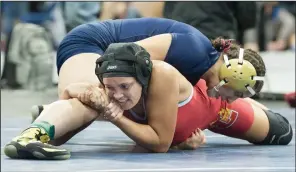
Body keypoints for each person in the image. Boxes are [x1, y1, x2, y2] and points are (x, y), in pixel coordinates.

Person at [4, 43, 293, 160]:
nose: (231, 98)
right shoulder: (169, 64)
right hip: (102, 48)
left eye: (240, 96)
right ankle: (42, 127)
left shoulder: (213, 94)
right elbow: (158, 142)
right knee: (98, 98)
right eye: (235, 93)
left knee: (280, 132)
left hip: (185, 109)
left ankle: (52, 117)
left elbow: (159, 142)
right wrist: (108, 107)